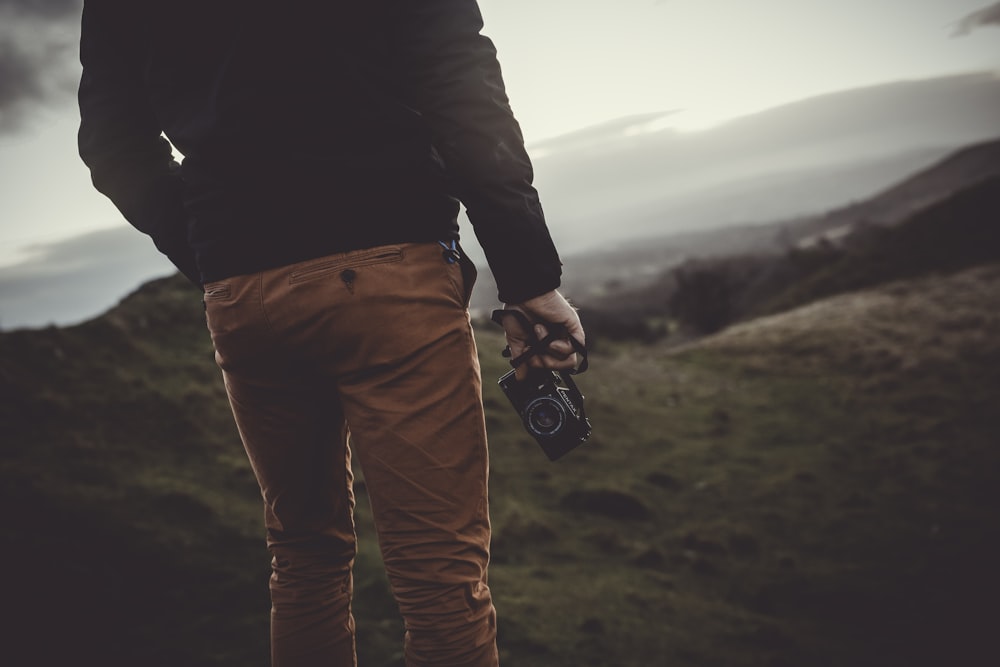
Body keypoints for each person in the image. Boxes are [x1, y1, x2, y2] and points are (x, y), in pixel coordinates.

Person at [78, 1, 585, 665]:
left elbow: (112, 141)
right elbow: (459, 82)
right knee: (441, 580)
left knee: (304, 563)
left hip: (244, 295)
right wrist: (528, 277)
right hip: (390, 268)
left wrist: (218, 253)